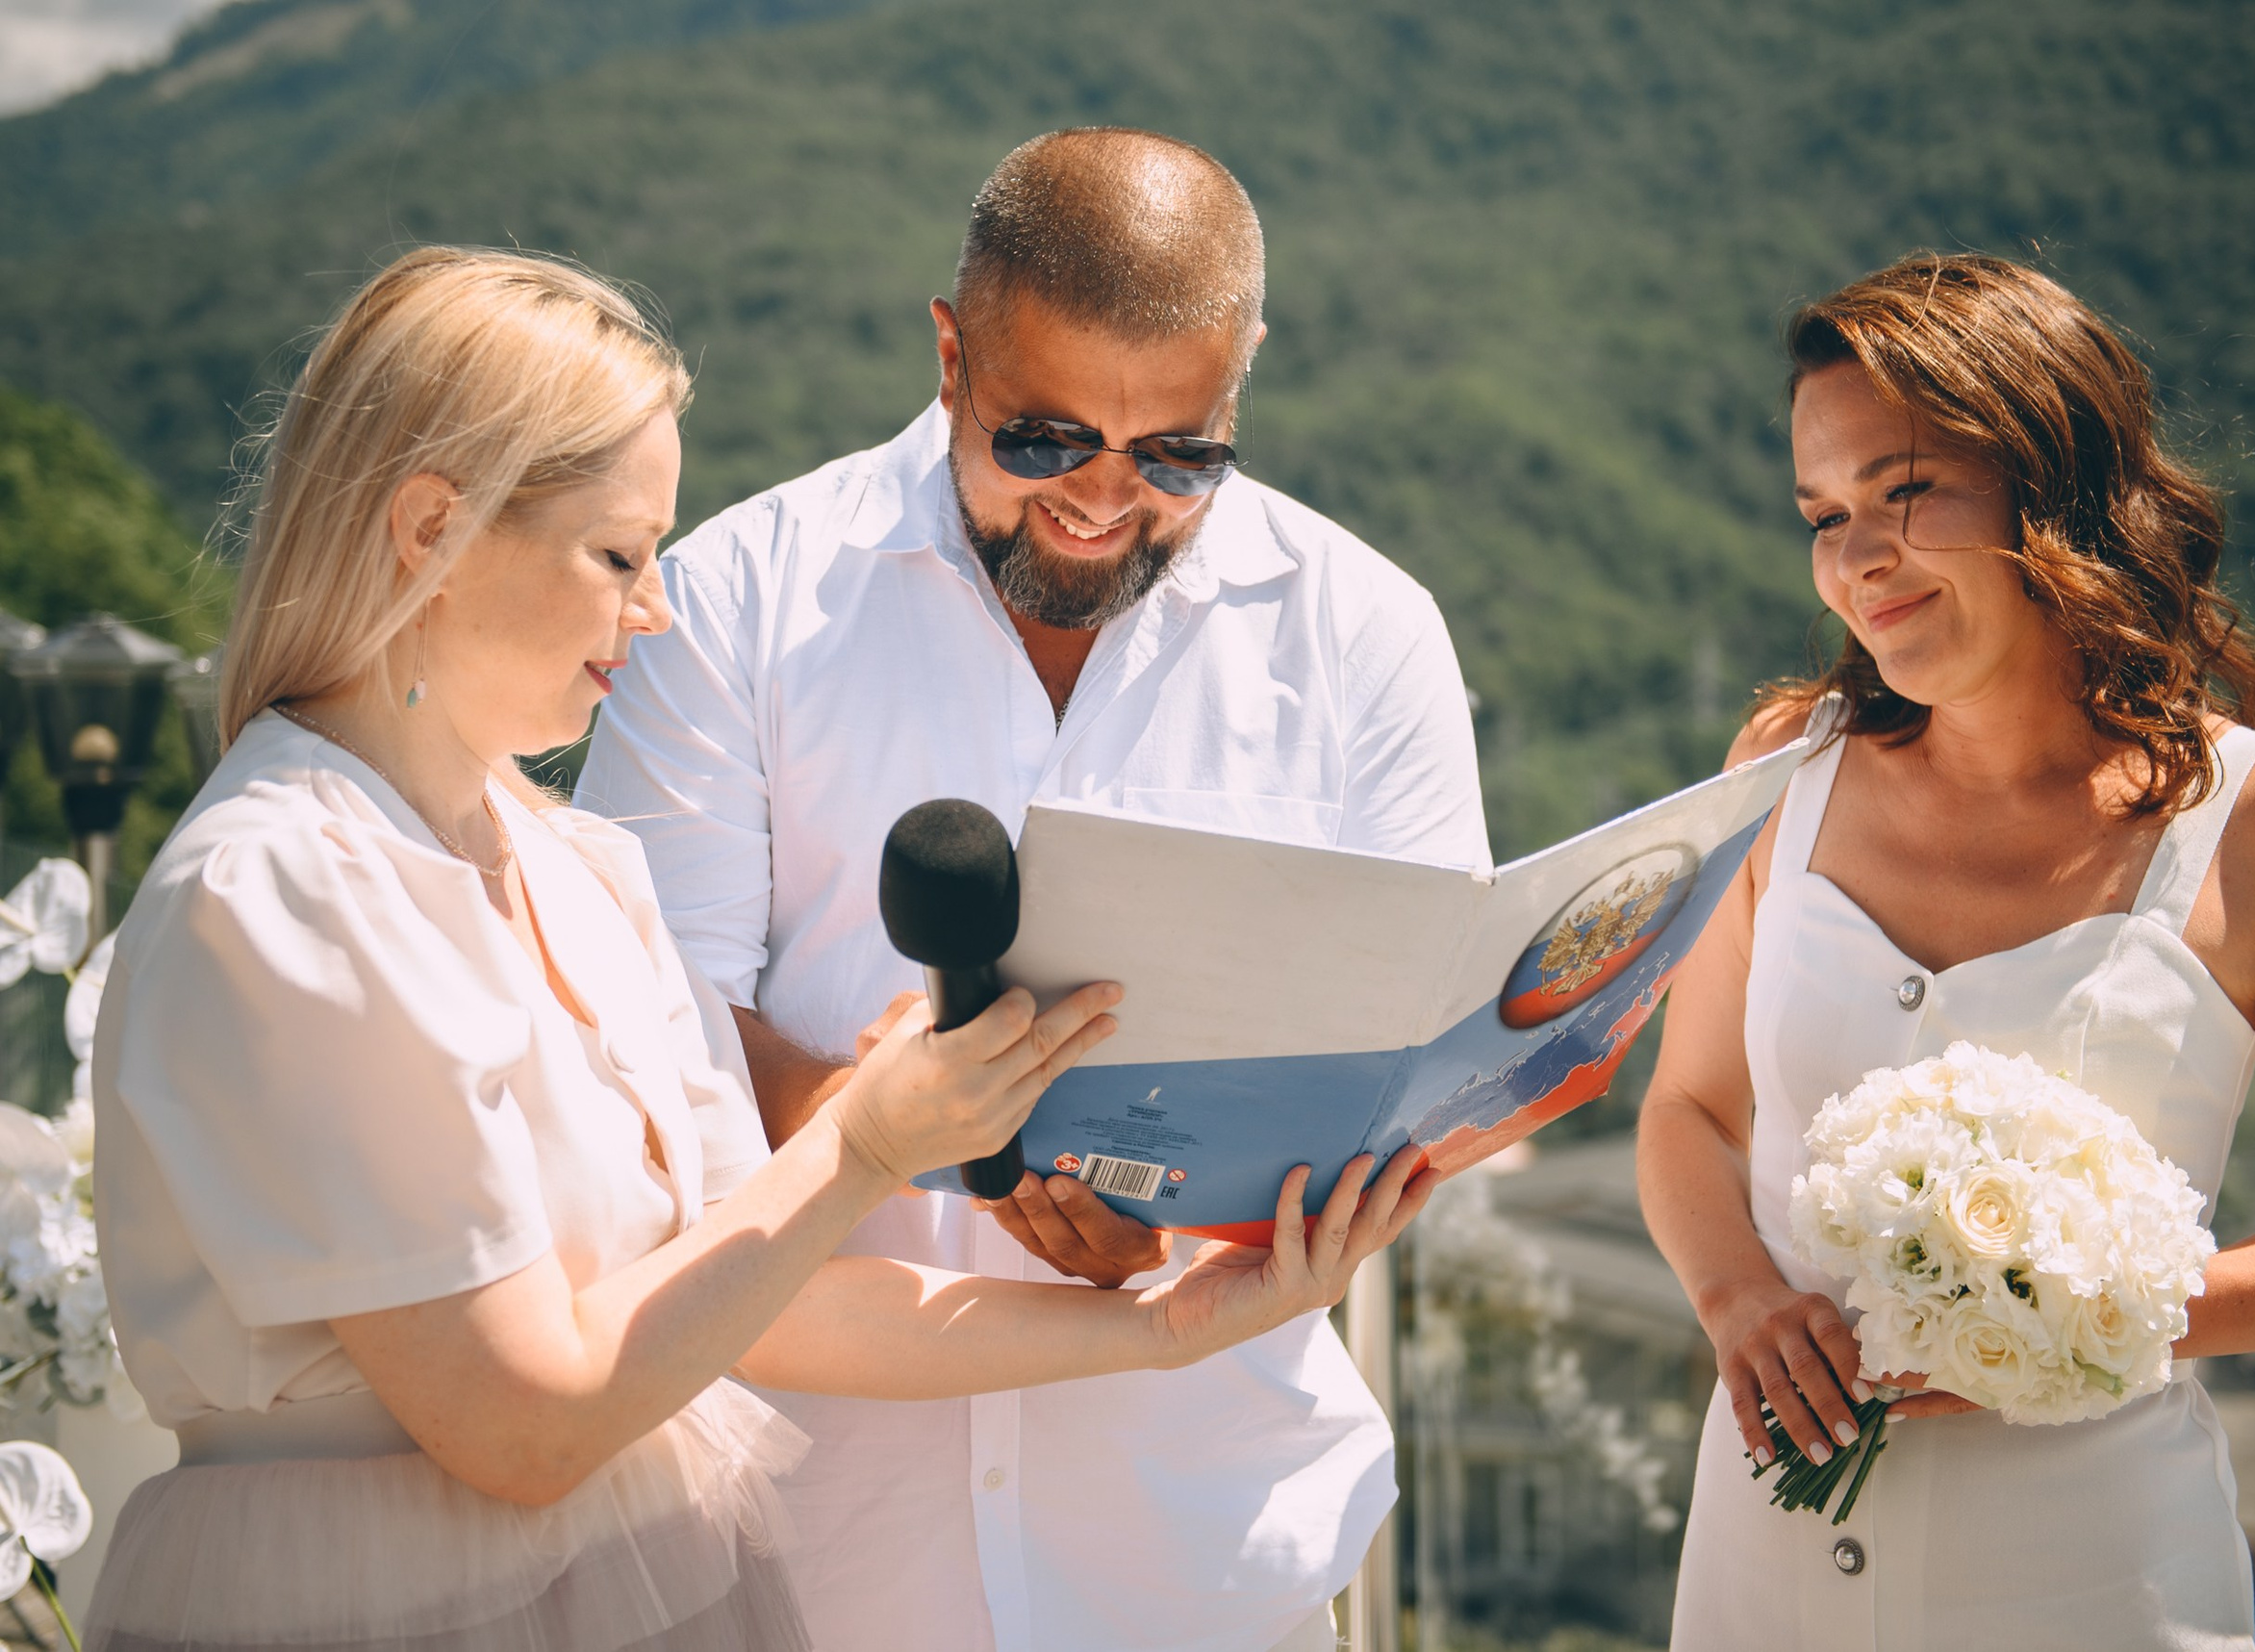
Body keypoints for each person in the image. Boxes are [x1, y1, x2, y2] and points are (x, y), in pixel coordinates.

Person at [83, 245, 1430, 1652]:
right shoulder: (288, 888)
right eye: (616, 554)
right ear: (429, 526)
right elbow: (520, 1424)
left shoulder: (578, 864)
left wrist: (1172, 1326)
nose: (654, 607)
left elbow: (759, 1299)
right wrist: (862, 1149)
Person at [578, 127, 1487, 1652]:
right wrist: (877, 1117)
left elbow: (1406, 1085)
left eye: (1179, 454)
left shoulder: (1368, 639)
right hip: (809, 1556)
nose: (1100, 502)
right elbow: (648, 1060)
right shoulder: (728, 604)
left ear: (1240, 385)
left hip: (1205, 1559)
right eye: (1045, 441)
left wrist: (1192, 1242)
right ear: (950, 357)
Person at [1634, 251, 2255, 1649]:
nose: (1856, 557)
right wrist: (1739, 1299)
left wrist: (2107, 1312)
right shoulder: (1784, 765)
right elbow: (1690, 1107)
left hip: (2101, 1581)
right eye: (1824, 513)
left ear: (2048, 481)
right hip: (1763, 1566)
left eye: (1903, 494)